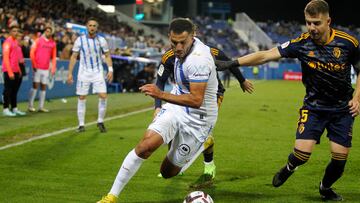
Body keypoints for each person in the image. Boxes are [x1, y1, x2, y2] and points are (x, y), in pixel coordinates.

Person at [215, 0, 360, 201]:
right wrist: (232, 62)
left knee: (339, 159)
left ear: (328, 21)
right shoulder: (301, 43)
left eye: (316, 23)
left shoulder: (348, 43)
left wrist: (357, 97)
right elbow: (266, 55)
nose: (311, 28)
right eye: (308, 22)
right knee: (302, 155)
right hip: (314, 107)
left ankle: (325, 187)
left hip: (343, 109)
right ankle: (290, 167)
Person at [97, 18, 219, 203]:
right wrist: (161, 103)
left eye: (182, 42)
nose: (177, 47)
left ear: (193, 37)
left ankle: (205, 142)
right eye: (174, 42)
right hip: (176, 107)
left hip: (199, 119)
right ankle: (111, 197)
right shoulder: (175, 52)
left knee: (167, 172)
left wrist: (160, 95)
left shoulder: (199, 60)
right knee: (145, 147)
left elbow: (195, 100)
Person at [154, 45, 253, 188]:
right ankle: (177, 164)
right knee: (174, 128)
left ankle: (209, 165)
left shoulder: (208, 51)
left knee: (203, 134)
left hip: (211, 96)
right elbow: (160, 81)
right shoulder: (169, 56)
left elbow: (229, 62)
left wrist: (242, 80)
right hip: (183, 96)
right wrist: (157, 106)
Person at [67, 17, 113, 133]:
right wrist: (70, 73)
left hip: (97, 72)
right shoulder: (79, 40)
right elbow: (73, 56)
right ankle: (81, 125)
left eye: (94, 26)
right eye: (90, 25)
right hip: (84, 73)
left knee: (103, 96)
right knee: (82, 97)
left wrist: (110, 70)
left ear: (97, 28)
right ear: (87, 27)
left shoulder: (101, 40)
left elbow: (107, 55)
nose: (92, 27)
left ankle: (100, 121)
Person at [28, 26, 57, 112]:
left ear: (51, 33)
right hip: (37, 67)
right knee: (35, 86)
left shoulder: (53, 43)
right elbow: (32, 52)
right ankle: (30, 106)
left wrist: (53, 68)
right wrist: (34, 64)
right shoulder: (38, 40)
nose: (48, 33)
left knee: (44, 87)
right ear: (45, 32)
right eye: (47, 31)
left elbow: (54, 57)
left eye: (49, 31)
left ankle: (41, 107)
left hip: (46, 68)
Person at [2, 25, 26, 117]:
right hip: (9, 70)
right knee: (7, 90)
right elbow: (6, 58)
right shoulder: (7, 43)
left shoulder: (15, 42)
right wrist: (10, 71)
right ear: (10, 32)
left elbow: (16, 58)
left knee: (14, 91)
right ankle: (5, 109)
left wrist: (19, 70)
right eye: (14, 31)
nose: (16, 33)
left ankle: (14, 108)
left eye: (17, 31)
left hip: (16, 70)